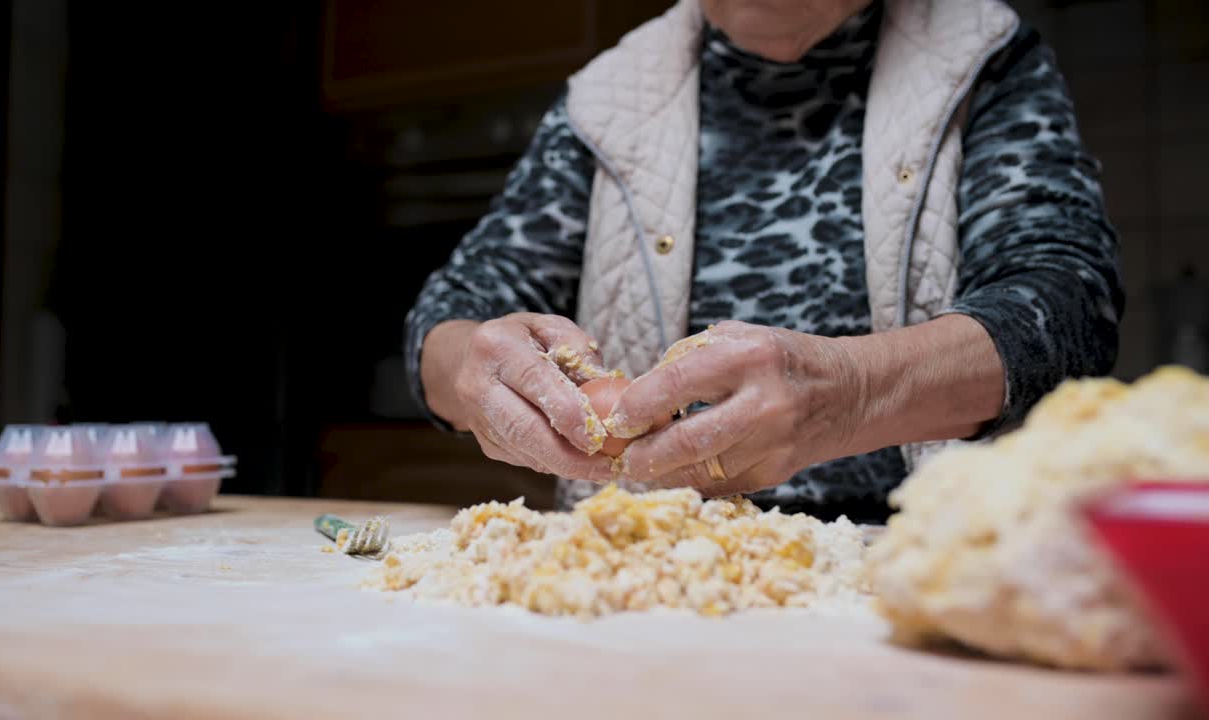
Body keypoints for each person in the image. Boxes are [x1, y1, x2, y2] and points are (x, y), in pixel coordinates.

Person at [403, 0, 1123, 522]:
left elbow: (1067, 305)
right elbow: (449, 320)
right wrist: (477, 364)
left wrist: (850, 393)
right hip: (654, 574)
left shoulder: (981, 57)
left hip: (929, 568)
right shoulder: (606, 102)